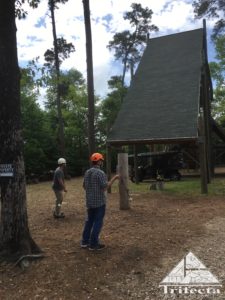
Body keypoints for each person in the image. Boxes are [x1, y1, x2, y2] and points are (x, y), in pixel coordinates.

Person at [81, 152, 119, 251]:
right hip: (99, 203)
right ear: (98, 161)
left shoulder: (87, 172)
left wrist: (92, 191)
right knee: (98, 222)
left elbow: (84, 186)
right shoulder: (100, 173)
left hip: (89, 202)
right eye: (101, 160)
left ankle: (85, 242)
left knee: (89, 221)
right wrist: (115, 178)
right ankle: (93, 244)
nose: (102, 162)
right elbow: (105, 186)